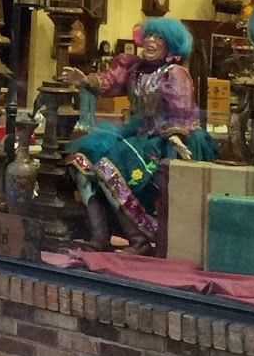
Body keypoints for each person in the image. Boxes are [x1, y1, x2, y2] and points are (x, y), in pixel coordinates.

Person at [60, 18, 210, 253]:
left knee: (108, 170)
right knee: (81, 164)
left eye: (158, 38)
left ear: (170, 44)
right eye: (148, 36)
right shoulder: (135, 69)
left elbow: (181, 108)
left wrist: (175, 136)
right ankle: (100, 236)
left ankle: (139, 241)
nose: (150, 41)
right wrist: (86, 81)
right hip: (138, 136)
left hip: (165, 141)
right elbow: (111, 81)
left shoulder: (175, 73)